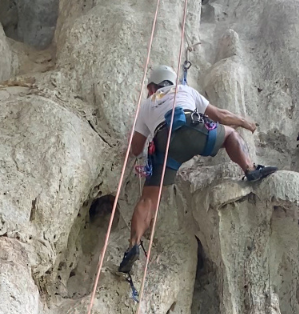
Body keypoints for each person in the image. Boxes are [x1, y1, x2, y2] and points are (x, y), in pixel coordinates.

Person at [119, 64, 277, 275]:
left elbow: (136, 148)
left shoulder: (147, 105)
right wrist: (245, 122)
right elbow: (220, 115)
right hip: (192, 128)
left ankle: (133, 245)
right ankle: (250, 169)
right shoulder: (184, 90)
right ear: (172, 82)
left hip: (165, 145)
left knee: (148, 200)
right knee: (230, 135)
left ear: (151, 88)